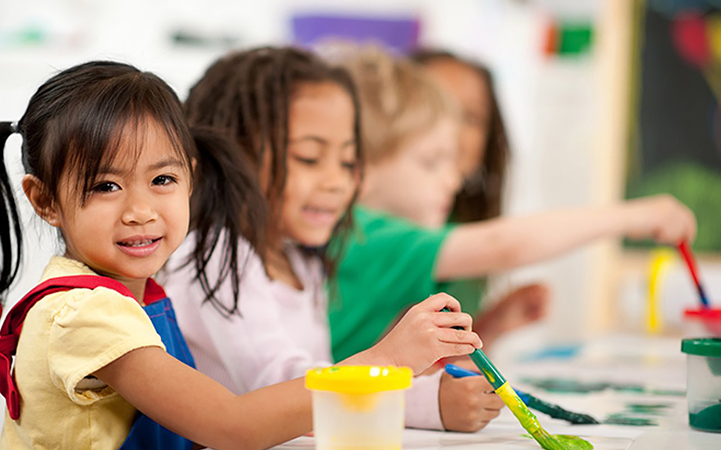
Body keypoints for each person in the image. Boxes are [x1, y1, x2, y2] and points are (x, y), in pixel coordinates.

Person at [0, 60, 481, 450]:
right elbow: (232, 424)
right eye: (106, 186)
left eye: (161, 179)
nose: (140, 210)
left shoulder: (140, 292)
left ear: (189, 181)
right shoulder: (84, 313)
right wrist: (385, 361)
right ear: (45, 201)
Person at [163, 46, 503, 433]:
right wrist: (418, 395)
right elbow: (280, 388)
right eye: (309, 158)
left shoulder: (302, 261)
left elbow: (317, 381)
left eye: (346, 162)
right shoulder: (217, 256)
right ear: (231, 155)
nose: (336, 182)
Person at [327, 44, 697, 364]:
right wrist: (635, 215)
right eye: (430, 161)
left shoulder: (382, 237)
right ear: (360, 168)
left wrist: (493, 325)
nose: (453, 179)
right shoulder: (365, 233)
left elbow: (409, 367)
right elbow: (502, 244)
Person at [410, 48, 550, 346]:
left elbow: (432, 367)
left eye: (471, 117)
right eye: (437, 107)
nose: (453, 130)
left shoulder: (459, 219)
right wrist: (637, 216)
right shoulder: (373, 229)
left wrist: (491, 325)